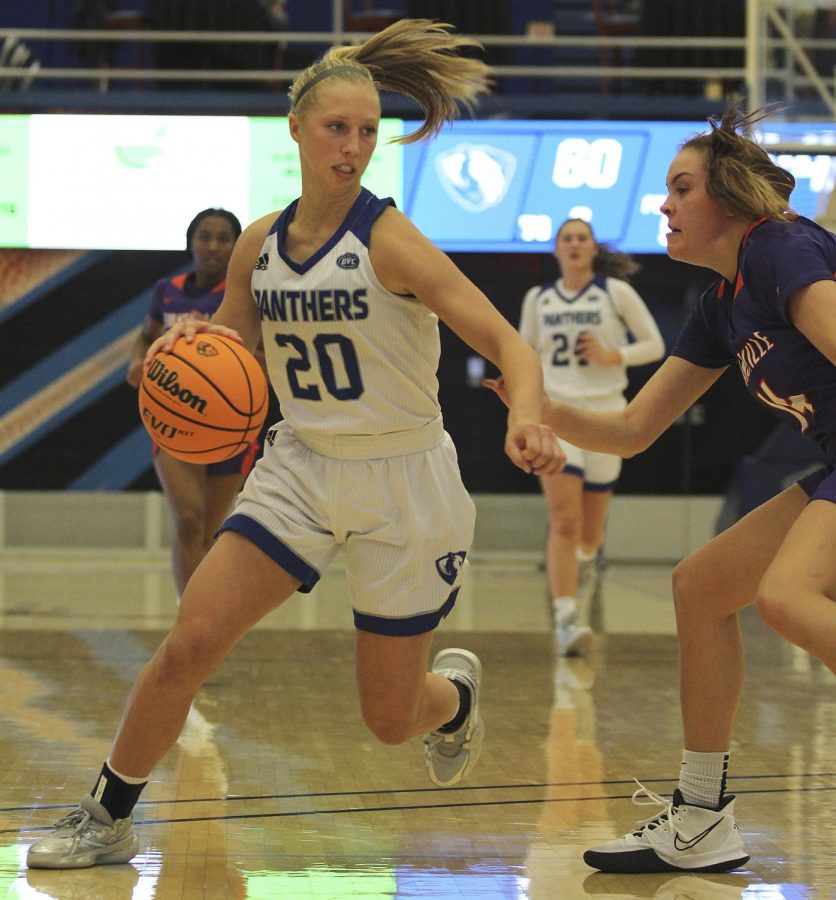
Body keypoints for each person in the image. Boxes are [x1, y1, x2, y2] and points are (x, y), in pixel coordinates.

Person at [26, 18, 562, 870]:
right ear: (298, 131)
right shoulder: (259, 244)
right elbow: (229, 353)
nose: (352, 147)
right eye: (336, 129)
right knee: (190, 643)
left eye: (366, 132)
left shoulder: (392, 240)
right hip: (302, 466)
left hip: (404, 478)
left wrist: (526, 415)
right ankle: (107, 815)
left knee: (389, 719)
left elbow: (512, 344)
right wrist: (177, 355)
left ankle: (452, 699)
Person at [486, 102, 836, 874]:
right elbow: (632, 429)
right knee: (703, 588)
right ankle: (703, 816)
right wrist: (537, 406)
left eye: (681, 188)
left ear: (731, 198)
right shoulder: (719, 306)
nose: (663, 204)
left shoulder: (780, 249)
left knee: (785, 594)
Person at [518, 218, 664, 656]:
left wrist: (610, 354)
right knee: (564, 520)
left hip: (606, 417)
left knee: (589, 533)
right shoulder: (538, 298)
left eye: (583, 237)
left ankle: (583, 568)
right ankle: (565, 618)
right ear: (556, 249)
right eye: (568, 238)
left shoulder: (613, 292)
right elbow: (524, 354)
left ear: (594, 248)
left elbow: (655, 345)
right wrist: (522, 404)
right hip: (557, 417)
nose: (576, 244)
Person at [126, 208, 256, 601]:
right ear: (190, 241)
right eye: (205, 236)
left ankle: (205, 616)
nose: (213, 246)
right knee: (188, 520)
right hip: (175, 418)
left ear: (237, 247)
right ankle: (189, 615)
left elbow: (261, 354)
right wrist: (137, 360)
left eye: (223, 238)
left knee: (211, 532)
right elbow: (146, 337)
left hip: (227, 424)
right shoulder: (168, 289)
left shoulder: (243, 294)